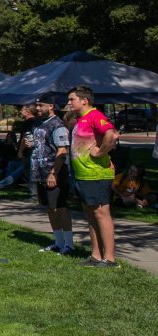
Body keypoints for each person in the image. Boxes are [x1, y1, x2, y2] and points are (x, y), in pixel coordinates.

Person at [68, 85, 121, 267]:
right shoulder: (80, 118)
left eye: (72, 99)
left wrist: (100, 153)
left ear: (84, 101)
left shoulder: (95, 115)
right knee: (90, 214)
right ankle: (96, 255)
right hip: (83, 174)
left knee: (101, 213)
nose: (68, 103)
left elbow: (112, 134)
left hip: (96, 174)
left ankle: (110, 258)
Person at [27, 93, 74, 254]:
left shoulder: (57, 125)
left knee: (60, 208)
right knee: (49, 208)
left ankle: (69, 243)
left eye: (41, 106)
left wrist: (53, 173)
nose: (38, 108)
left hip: (54, 173)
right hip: (40, 172)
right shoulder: (39, 124)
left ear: (51, 106)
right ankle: (58, 241)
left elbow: (62, 150)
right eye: (37, 105)